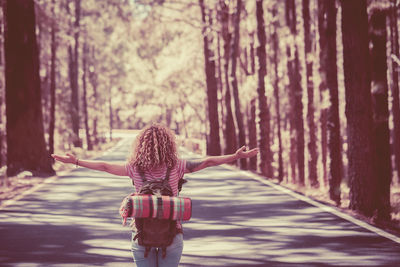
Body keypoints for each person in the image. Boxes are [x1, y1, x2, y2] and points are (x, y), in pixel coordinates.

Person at [52, 123, 259, 267]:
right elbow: (207, 161)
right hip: (173, 235)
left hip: (141, 236)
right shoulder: (178, 166)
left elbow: (105, 166)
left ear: (141, 146)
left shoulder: (133, 168)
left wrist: (76, 162)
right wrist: (235, 156)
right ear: (169, 144)